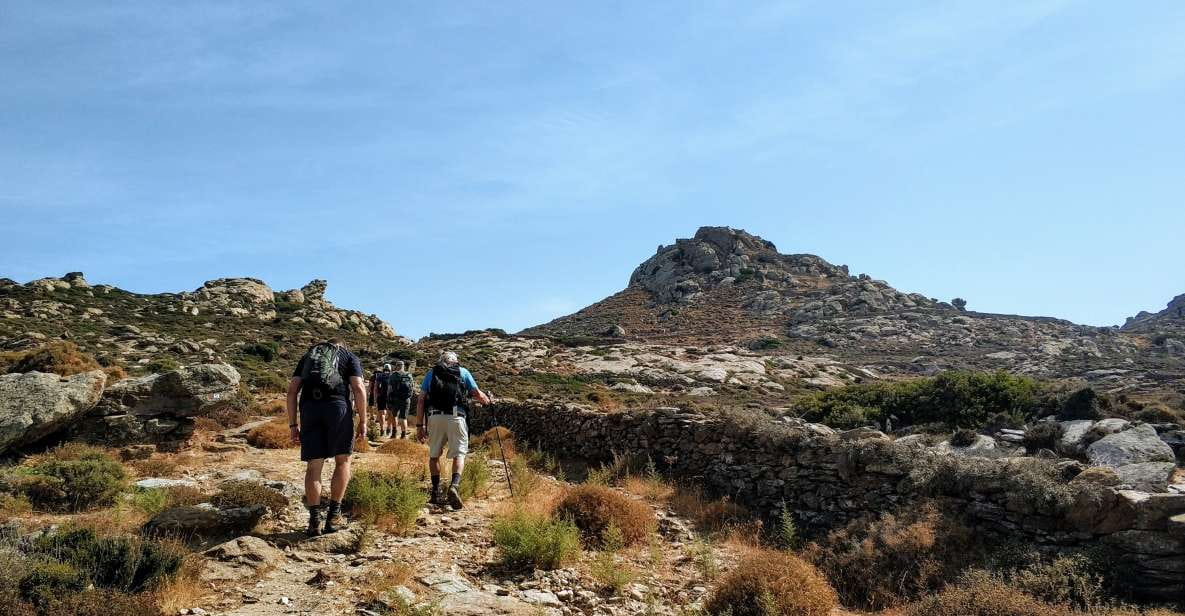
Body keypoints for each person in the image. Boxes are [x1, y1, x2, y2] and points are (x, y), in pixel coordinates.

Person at [286, 339, 367, 536]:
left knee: (314, 466)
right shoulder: (348, 356)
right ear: (341, 346)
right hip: (337, 408)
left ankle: (314, 520)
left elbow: (292, 391)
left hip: (309, 409)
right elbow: (358, 387)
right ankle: (334, 515)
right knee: (342, 461)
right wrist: (363, 420)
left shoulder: (308, 357)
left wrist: (293, 425)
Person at [417, 351, 490, 510]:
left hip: (434, 417)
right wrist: (487, 400)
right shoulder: (463, 372)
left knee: (434, 455)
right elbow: (476, 394)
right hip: (457, 417)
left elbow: (421, 399)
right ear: (456, 361)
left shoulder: (431, 373)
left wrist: (419, 426)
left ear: (440, 361)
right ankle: (454, 486)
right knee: (459, 453)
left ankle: (435, 492)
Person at [388, 361, 415, 439]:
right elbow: (412, 388)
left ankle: (394, 434)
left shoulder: (393, 375)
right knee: (403, 418)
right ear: (403, 366)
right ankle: (403, 436)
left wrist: (389, 399)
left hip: (395, 399)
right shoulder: (409, 375)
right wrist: (409, 397)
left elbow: (389, 389)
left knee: (394, 416)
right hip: (406, 399)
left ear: (396, 366)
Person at [370, 364, 393, 438]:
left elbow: (375, 389)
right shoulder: (392, 376)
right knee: (390, 414)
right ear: (390, 369)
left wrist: (375, 400)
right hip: (390, 398)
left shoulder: (379, 376)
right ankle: (389, 428)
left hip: (381, 397)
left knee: (382, 413)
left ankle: (382, 429)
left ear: (383, 369)